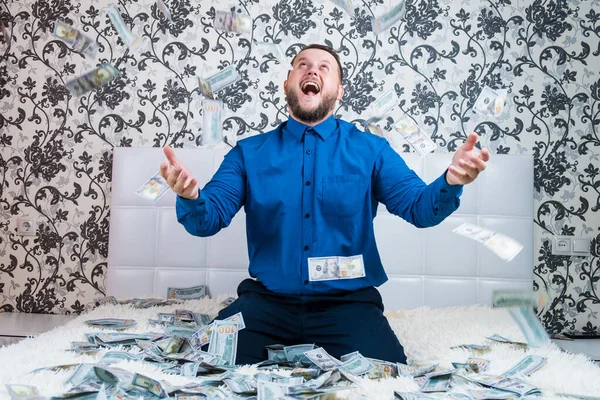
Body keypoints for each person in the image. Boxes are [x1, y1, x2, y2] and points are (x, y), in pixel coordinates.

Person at [159, 44, 490, 365]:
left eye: (323, 66)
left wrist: (450, 181)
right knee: (202, 359)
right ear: (288, 84)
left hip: (348, 306)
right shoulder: (248, 153)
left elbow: (420, 208)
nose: (312, 69)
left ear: (339, 91)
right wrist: (190, 197)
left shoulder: (371, 150)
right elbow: (208, 219)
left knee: (386, 375)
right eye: (302, 64)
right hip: (267, 305)